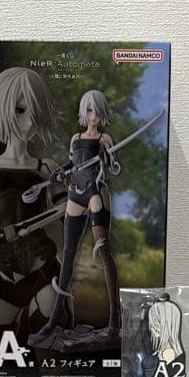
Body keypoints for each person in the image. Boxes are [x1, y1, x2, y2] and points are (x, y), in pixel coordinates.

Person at [0, 67, 65, 365]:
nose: (29, 121)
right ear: (3, 107)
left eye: (35, 112)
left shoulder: (47, 169)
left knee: (54, 359)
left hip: (43, 271)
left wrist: (85, 195)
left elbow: (71, 219)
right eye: (21, 110)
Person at [27, 89, 121, 350]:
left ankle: (115, 320)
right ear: (84, 111)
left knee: (104, 252)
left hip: (95, 191)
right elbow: (71, 166)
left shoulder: (104, 138)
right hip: (75, 195)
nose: (93, 115)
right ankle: (55, 319)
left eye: (97, 110)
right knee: (68, 255)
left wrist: (109, 156)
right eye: (89, 110)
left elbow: (114, 168)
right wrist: (60, 173)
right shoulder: (76, 138)